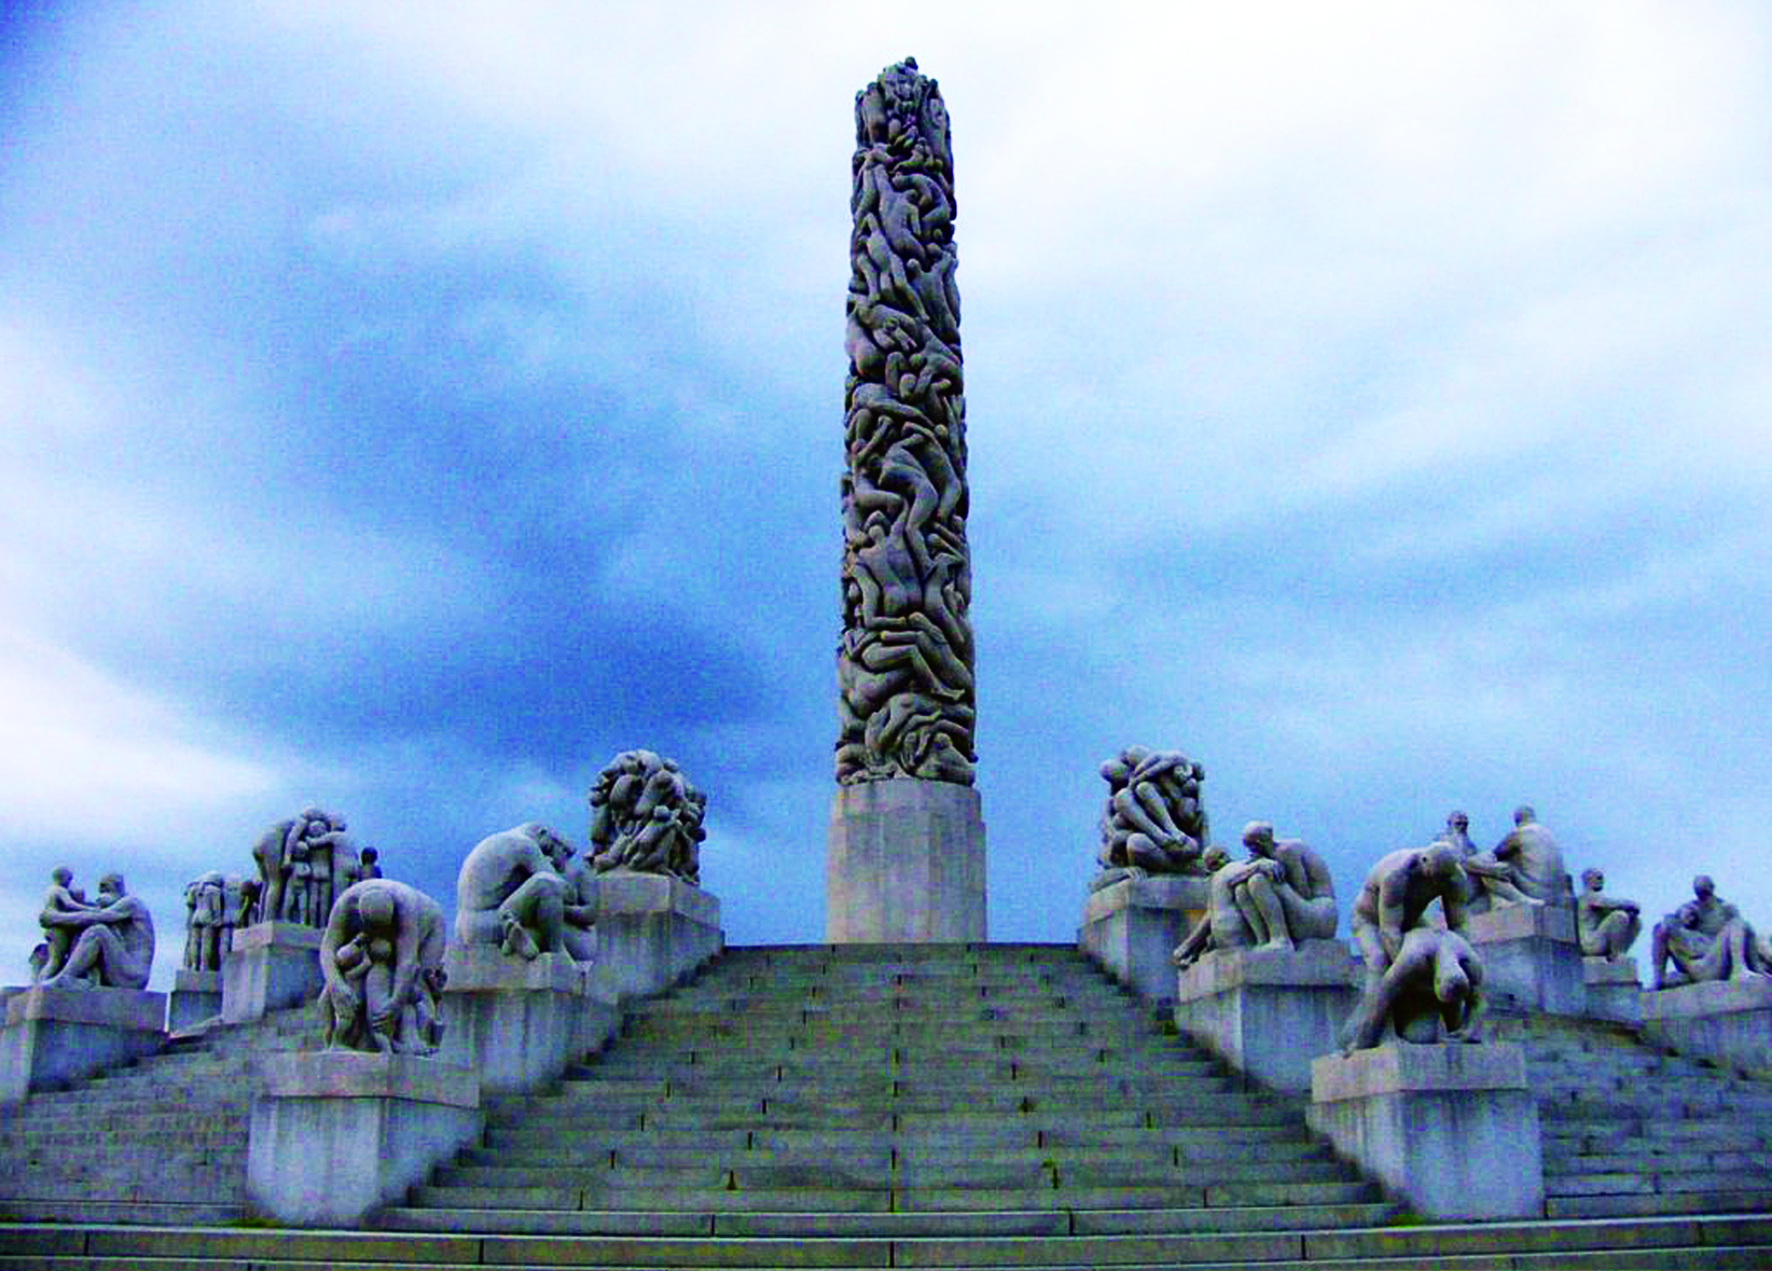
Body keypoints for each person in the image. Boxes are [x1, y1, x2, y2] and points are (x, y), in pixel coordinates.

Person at [319, 878, 445, 1054]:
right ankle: (358, 1043)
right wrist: (336, 985)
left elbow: (407, 963)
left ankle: (418, 1042)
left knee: (417, 989)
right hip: (368, 971)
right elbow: (327, 949)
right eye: (373, 929)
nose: (378, 934)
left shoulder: (405, 908)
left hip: (429, 923)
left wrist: (395, 1004)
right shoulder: (345, 904)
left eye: (382, 930)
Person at [1346, 843, 1470, 1010]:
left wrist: (1457, 958)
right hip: (1368, 921)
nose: (1438, 881)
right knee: (1379, 960)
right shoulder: (1396, 875)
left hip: (1411, 920)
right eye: (1435, 875)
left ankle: (1448, 1020)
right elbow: (1389, 930)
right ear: (1424, 860)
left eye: (1443, 877)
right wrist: (1407, 968)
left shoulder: (1454, 878)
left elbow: (1459, 925)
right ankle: (1374, 1018)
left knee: (1438, 956)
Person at [1341, 924, 1486, 1052]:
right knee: (1349, 1036)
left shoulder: (1472, 965)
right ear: (1436, 981)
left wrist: (1470, 1031)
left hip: (1423, 990)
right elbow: (1381, 1000)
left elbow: (1479, 1003)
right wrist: (1363, 1043)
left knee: (1421, 1038)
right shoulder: (1413, 957)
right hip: (1398, 984)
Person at [454, 823, 575, 960]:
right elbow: (566, 892)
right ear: (542, 833)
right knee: (546, 883)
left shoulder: (501, 841)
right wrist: (560, 865)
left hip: (465, 928)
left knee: (539, 929)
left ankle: (515, 940)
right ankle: (556, 952)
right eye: (553, 848)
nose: (549, 855)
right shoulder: (526, 845)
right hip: (490, 923)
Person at [38, 873, 155, 990]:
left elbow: (96, 916)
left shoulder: (131, 903)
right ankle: (85, 977)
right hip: (121, 968)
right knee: (87, 928)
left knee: (98, 931)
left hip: (134, 975)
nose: (101, 891)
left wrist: (56, 917)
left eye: (105, 886)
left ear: (117, 885)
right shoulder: (118, 911)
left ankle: (65, 977)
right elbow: (93, 914)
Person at [1651, 875, 1766, 989]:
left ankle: (1740, 968)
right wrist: (1682, 914)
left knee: (1739, 924)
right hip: (1696, 967)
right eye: (1700, 893)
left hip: (1715, 962)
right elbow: (1663, 929)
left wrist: (1757, 968)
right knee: (1660, 928)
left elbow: (1746, 933)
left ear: (1712, 889)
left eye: (1705, 893)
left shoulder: (1725, 909)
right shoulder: (1684, 923)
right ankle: (1658, 980)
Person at [1237, 822, 1338, 947]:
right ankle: (1262, 941)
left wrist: (1263, 867)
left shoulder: (1285, 851)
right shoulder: (1272, 854)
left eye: (1251, 846)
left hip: (1320, 917)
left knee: (1258, 880)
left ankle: (1280, 938)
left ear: (1260, 843)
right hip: (1307, 912)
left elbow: (1303, 893)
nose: (1251, 851)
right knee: (1241, 888)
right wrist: (1258, 865)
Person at [1464, 806, 1569, 908]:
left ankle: (1521, 900)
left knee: (1486, 868)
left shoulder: (1520, 833)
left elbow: (1495, 854)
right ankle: (1500, 902)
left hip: (1536, 892)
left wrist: (1471, 863)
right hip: (1556, 894)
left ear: (1517, 820)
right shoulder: (1548, 833)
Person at [37, 866, 97, 981]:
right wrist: (90, 909)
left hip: (52, 928)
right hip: (57, 928)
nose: (69, 883)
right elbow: (70, 904)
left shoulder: (50, 890)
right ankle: (42, 985)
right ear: (63, 877)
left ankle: (41, 984)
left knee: (55, 961)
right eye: (69, 879)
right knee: (56, 961)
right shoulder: (60, 890)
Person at [1576, 867, 1641, 961]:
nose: (1602, 881)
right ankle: (1616, 954)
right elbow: (1611, 903)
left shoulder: (1595, 897)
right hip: (1590, 943)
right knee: (1619, 916)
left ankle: (1620, 951)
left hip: (1599, 939)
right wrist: (1632, 904)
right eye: (1598, 878)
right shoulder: (1588, 896)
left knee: (1635, 921)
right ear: (1589, 880)